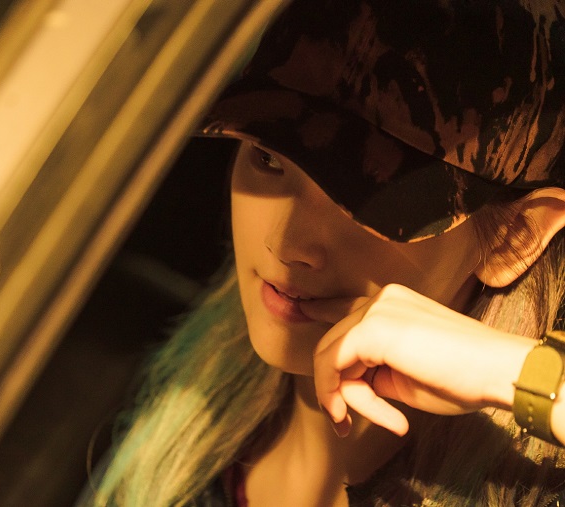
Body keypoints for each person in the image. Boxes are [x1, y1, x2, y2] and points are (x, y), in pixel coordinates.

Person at [84, 0, 565, 505]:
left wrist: (519, 375)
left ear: (515, 237)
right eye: (267, 158)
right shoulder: (174, 420)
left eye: (374, 200)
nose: (285, 246)